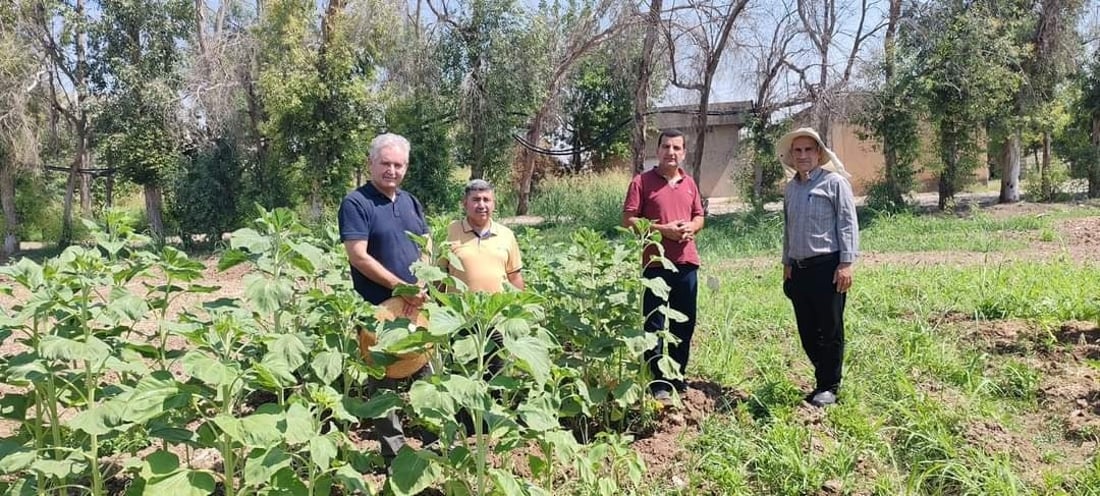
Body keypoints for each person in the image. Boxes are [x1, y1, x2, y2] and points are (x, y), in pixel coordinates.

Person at [338, 132, 431, 464]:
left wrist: (421, 284)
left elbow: (425, 245)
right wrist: (399, 288)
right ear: (371, 164)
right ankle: (394, 457)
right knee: (384, 385)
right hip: (379, 310)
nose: (392, 170)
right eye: (386, 163)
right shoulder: (357, 203)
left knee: (427, 378)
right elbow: (358, 255)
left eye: (399, 165)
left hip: (416, 307)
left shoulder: (409, 201)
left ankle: (433, 450)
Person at [777, 127, 860, 408]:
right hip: (799, 270)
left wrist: (846, 263)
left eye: (808, 150)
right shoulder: (791, 189)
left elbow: (847, 223)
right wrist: (787, 262)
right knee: (807, 331)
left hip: (828, 267)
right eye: (797, 151)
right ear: (791, 155)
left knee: (830, 328)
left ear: (819, 153)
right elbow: (788, 229)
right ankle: (823, 376)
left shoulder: (834, 183)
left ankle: (829, 387)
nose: (802, 155)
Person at [622, 128, 705, 402]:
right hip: (655, 263)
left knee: (684, 323)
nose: (671, 152)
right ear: (657, 151)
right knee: (654, 324)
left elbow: (699, 215)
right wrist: (662, 230)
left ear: (683, 152)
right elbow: (630, 220)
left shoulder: (690, 183)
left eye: (677, 148)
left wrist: (691, 227)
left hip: (686, 262)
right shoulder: (642, 182)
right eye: (666, 147)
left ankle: (677, 376)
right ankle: (658, 382)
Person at [440, 179, 524, 294]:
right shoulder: (450, 232)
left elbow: (514, 277)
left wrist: (520, 306)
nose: (481, 205)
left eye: (486, 200)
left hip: (496, 310)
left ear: (493, 204)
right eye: (476, 199)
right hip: (459, 310)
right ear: (465, 203)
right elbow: (438, 276)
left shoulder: (506, 235)